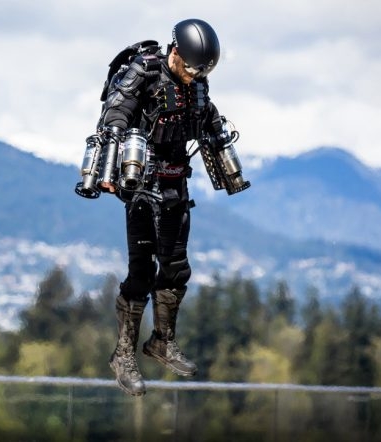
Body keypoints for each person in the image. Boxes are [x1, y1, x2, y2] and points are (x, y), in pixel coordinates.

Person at [97, 18, 235, 396]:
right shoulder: (145, 70)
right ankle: (123, 355)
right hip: (141, 184)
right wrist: (110, 157)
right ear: (176, 52)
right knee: (140, 273)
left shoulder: (197, 84)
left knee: (176, 267)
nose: (194, 77)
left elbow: (208, 119)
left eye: (202, 71)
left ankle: (162, 341)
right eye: (191, 68)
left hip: (176, 183)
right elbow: (117, 111)